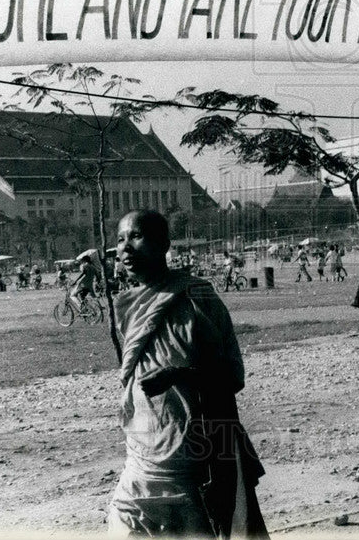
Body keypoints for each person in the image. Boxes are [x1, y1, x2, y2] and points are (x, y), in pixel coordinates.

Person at [109, 209, 267, 538]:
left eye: (136, 237)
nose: (126, 248)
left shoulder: (198, 295)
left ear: (164, 244)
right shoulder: (127, 306)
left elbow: (230, 375)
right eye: (120, 239)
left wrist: (178, 373)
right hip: (142, 451)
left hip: (190, 454)